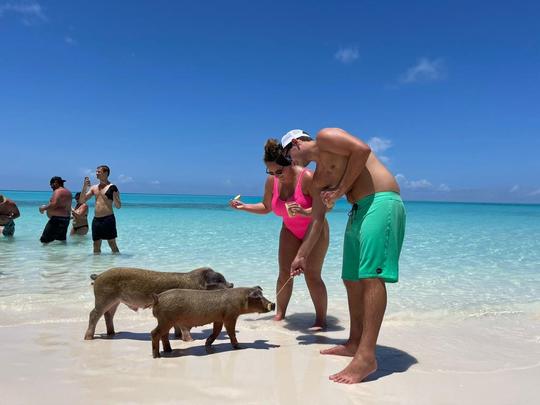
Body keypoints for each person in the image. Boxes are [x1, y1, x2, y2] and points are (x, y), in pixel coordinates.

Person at [283, 128, 406, 384]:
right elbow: (317, 219)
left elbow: (363, 150)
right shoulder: (318, 180)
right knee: (350, 278)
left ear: (295, 143)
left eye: (288, 155)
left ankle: (366, 357)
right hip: (358, 210)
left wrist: (340, 190)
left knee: (371, 276)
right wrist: (302, 256)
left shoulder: (327, 136)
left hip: (381, 200)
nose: (290, 162)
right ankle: (354, 342)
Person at [229, 139, 329, 329]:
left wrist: (302, 212)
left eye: (279, 171)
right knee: (284, 273)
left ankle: (321, 320)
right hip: (289, 229)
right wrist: (244, 207)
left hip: (315, 229)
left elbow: (321, 212)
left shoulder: (308, 178)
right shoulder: (272, 180)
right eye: (271, 172)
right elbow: (267, 206)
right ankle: (280, 314)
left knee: (312, 275)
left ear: (290, 162)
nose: (276, 176)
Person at [79, 165, 121, 254]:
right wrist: (85, 187)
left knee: (112, 243)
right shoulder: (94, 188)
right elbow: (82, 200)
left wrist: (115, 197)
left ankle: (118, 265)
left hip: (108, 218)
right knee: (96, 244)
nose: (96, 173)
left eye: (99, 172)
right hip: (96, 219)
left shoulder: (112, 187)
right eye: (96, 172)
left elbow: (118, 206)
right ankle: (96, 266)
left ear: (105, 173)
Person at [39, 176, 73, 243]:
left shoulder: (58, 191)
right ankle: (60, 253)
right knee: (61, 241)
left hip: (57, 220)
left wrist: (42, 208)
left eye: (51, 185)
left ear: (56, 182)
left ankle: (46, 253)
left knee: (44, 240)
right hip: (66, 220)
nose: (51, 187)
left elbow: (54, 204)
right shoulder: (69, 192)